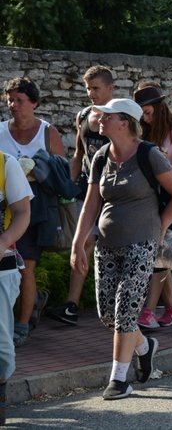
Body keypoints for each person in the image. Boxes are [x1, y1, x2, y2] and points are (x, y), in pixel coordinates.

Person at [71, 98, 172, 400]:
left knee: (125, 312)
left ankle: (119, 379)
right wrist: (78, 243)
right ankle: (144, 347)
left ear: (124, 122)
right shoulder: (100, 156)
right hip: (107, 244)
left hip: (142, 243)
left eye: (108, 116)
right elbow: (91, 204)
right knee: (108, 314)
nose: (100, 118)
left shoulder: (149, 155)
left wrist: (160, 228)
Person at [47, 65, 115, 326]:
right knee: (83, 243)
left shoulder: (122, 117)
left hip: (112, 193)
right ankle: (72, 305)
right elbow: (79, 154)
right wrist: (68, 185)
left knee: (98, 245)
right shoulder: (84, 115)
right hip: (86, 190)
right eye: (88, 88)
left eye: (96, 88)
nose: (91, 93)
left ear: (110, 88)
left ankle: (104, 304)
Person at [0, 77, 66, 347]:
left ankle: (22, 325)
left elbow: (63, 169)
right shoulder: (1, 130)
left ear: (34, 103)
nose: (14, 105)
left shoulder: (47, 132)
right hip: (5, 206)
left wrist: (38, 170)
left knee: (26, 265)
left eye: (20, 100)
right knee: (16, 268)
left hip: (36, 206)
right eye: (10, 100)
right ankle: (34, 300)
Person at [134, 84, 172, 329]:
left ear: (159, 108)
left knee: (158, 257)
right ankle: (171, 309)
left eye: (148, 113)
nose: (145, 118)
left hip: (170, 204)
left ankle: (148, 311)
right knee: (162, 256)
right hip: (147, 202)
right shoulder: (142, 136)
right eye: (141, 114)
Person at [0, 151, 32, 424]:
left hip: (2, 266)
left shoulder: (5, 163)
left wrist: (4, 240)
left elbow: (22, 211)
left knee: (1, 347)